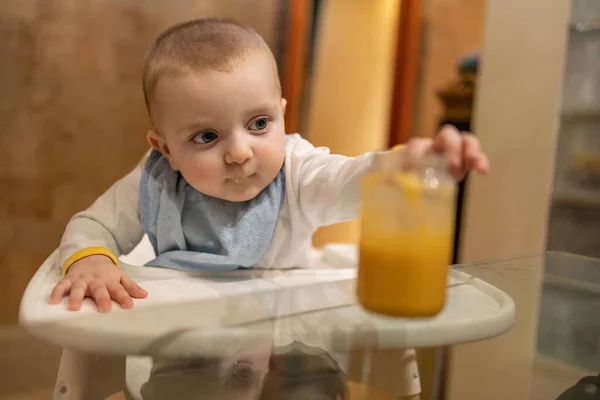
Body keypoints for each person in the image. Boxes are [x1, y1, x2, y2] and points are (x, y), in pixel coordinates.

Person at [47, 17, 488, 399]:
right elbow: (92, 224)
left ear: (281, 114)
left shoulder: (297, 174)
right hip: (184, 355)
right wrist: (92, 259)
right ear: (165, 149)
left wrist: (410, 162)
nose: (239, 152)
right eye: (206, 137)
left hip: (292, 355)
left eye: (259, 124)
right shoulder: (156, 182)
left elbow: (352, 179)